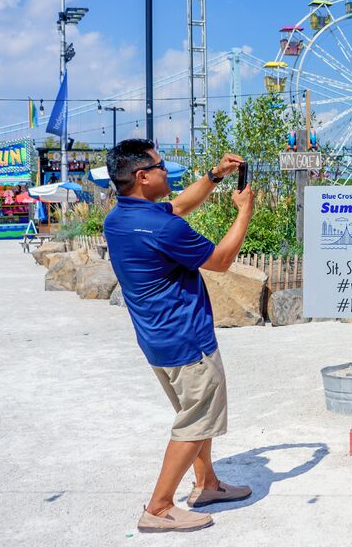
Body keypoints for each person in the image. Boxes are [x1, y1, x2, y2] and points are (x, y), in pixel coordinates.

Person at [103, 139, 256, 533]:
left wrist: (214, 177)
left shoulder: (120, 218)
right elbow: (221, 261)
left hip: (158, 340)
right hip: (188, 341)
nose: (166, 170)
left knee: (194, 416)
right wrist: (244, 212)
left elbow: (181, 204)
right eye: (160, 165)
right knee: (195, 421)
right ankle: (158, 507)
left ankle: (207, 485)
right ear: (142, 177)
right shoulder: (162, 227)